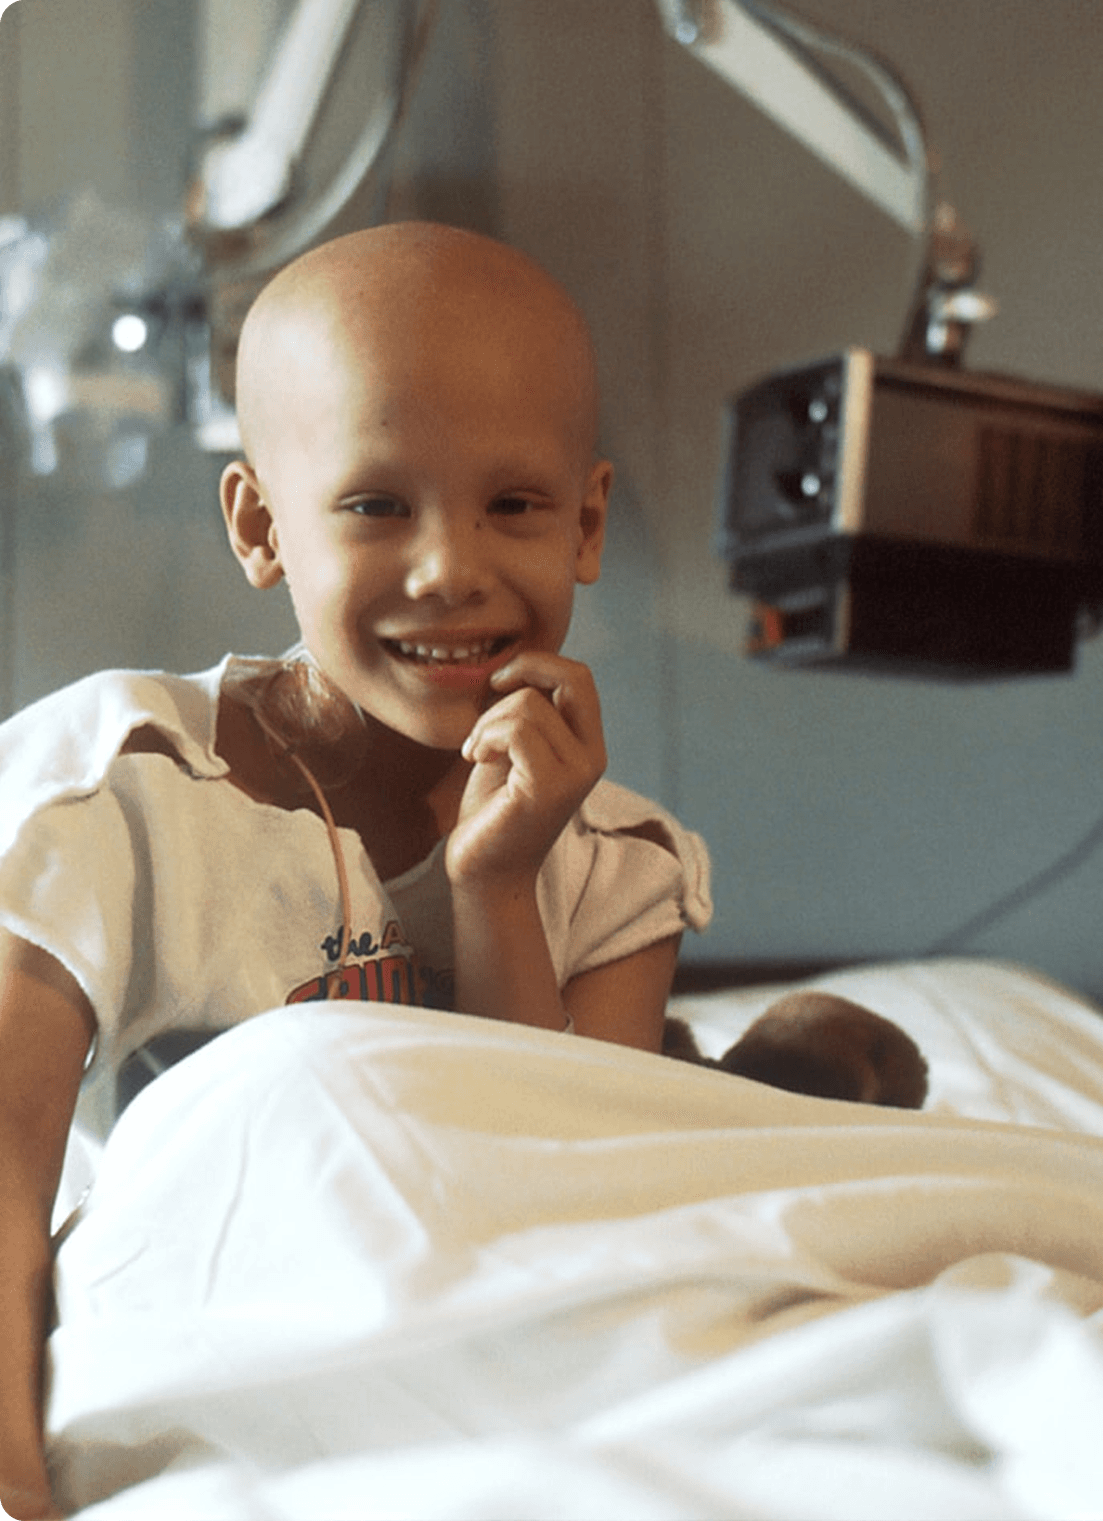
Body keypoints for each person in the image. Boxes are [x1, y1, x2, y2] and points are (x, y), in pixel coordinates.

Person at [0, 221, 711, 1520]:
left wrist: (496, 889)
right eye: (378, 505)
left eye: (515, 505)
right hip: (183, 1353)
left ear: (588, 522)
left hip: (477, 1396)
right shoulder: (105, 791)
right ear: (260, 525)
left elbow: (559, 1225)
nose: (451, 570)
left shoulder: (617, 871)